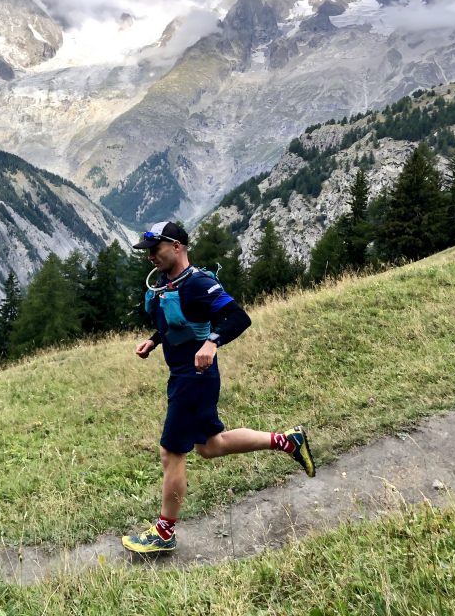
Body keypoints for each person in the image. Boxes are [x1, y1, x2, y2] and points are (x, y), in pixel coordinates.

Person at [122, 220, 315, 555]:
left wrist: (212, 343)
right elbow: (179, 321)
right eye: (148, 251)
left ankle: (164, 533)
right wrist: (154, 340)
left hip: (194, 379)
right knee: (210, 446)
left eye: (156, 249)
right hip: (183, 375)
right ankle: (287, 441)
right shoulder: (170, 283)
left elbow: (238, 317)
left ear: (177, 246)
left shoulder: (199, 282)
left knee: (171, 452)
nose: (150, 256)